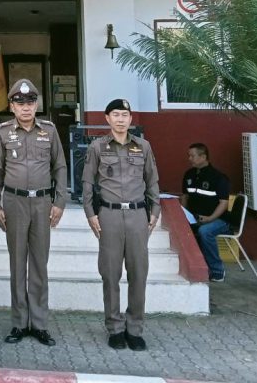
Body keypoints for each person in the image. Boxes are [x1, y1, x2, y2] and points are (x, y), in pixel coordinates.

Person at [0, 78, 67, 347]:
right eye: (19, 102)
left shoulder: (49, 131)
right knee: (17, 264)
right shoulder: (2, 132)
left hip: (42, 203)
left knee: (39, 265)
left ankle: (40, 324)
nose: (25, 107)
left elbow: (60, 167)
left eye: (30, 102)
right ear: (11, 106)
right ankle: (20, 323)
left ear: (37, 105)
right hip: (14, 203)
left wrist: (60, 202)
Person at [81, 98, 160, 352]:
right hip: (109, 215)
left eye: (124, 115)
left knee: (138, 273)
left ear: (130, 119)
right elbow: (87, 183)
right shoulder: (97, 147)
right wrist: (90, 213)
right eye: (115, 114)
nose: (120, 119)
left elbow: (152, 180)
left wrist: (155, 210)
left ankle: (134, 329)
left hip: (137, 216)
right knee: (110, 273)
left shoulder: (143, 146)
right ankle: (115, 328)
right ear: (107, 118)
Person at [181, 143, 230, 282]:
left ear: (203, 157)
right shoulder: (189, 174)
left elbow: (224, 203)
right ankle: (193, 268)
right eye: (189, 156)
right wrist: (184, 215)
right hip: (195, 218)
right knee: (182, 230)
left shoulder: (218, 177)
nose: (189, 159)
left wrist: (210, 218)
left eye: (192, 156)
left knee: (205, 231)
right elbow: (185, 196)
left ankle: (217, 270)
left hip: (219, 220)